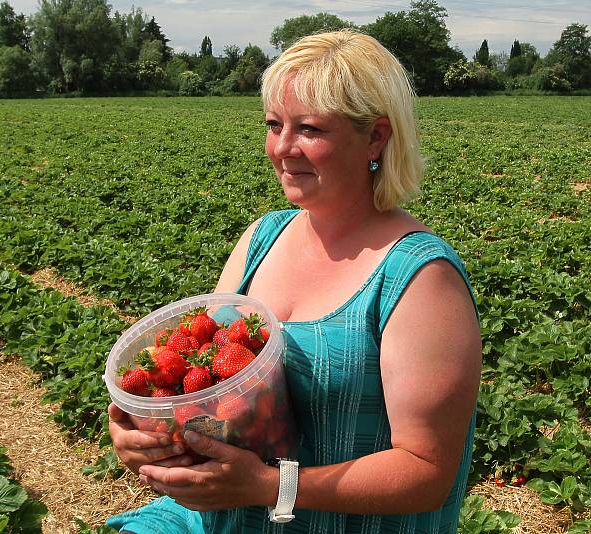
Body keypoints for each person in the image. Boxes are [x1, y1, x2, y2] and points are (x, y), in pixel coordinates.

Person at [107, 29, 481, 533]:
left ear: (375, 136)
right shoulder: (260, 238)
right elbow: (214, 399)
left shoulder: (418, 276)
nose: (283, 148)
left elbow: (428, 471)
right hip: (223, 520)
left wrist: (270, 485)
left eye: (309, 129)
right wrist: (149, 431)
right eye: (274, 124)